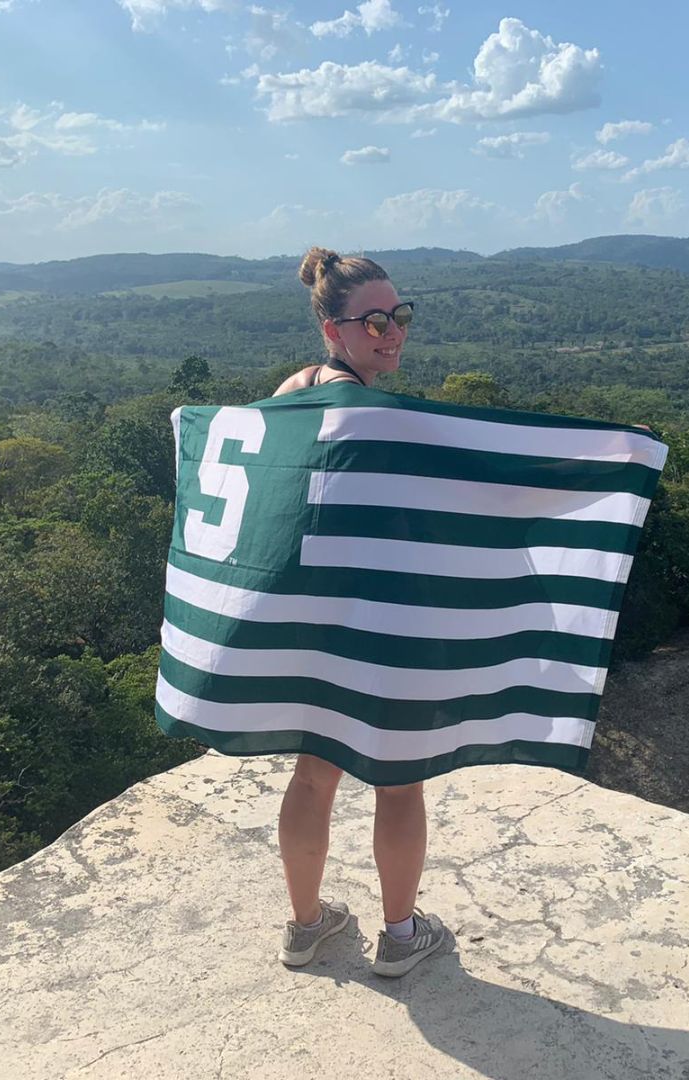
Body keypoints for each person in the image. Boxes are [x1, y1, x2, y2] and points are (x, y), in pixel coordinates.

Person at [272, 246, 448, 978]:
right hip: (375, 625)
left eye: (399, 315)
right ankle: (402, 937)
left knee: (314, 776)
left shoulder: (290, 392)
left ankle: (306, 926)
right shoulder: (381, 412)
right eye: (372, 320)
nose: (391, 331)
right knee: (399, 780)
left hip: (308, 625)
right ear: (332, 329)